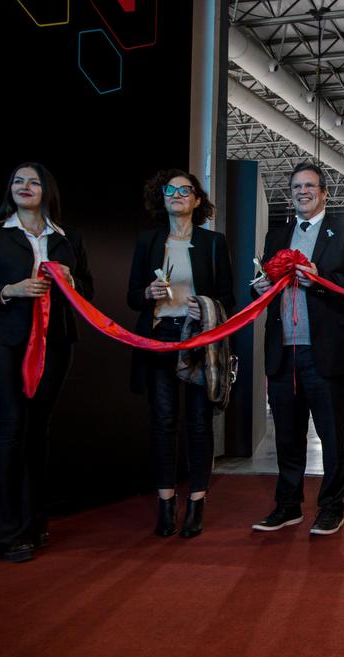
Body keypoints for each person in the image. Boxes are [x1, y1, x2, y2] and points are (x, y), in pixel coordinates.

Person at [0, 163, 93, 562]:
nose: (25, 187)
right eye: (18, 181)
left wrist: (72, 282)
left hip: (56, 340)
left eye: (34, 181)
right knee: (11, 427)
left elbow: (87, 290)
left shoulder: (68, 238)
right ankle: (3, 533)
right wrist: (10, 289)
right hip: (3, 341)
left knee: (39, 430)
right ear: (10, 190)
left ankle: (34, 523)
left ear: (47, 190)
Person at [250, 162, 344, 535]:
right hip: (283, 350)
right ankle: (288, 506)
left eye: (310, 186)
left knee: (332, 435)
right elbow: (268, 280)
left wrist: (319, 279)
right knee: (286, 434)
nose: (303, 191)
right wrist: (259, 289)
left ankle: (332, 506)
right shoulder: (277, 235)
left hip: (327, 352)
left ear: (324, 193)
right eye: (296, 186)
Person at [127, 169, 235, 539]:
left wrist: (204, 307)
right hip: (159, 339)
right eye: (170, 190)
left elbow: (229, 300)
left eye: (184, 190)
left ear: (197, 200)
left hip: (199, 341)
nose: (176, 195)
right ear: (162, 198)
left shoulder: (214, 242)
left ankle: (197, 503)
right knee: (163, 422)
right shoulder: (148, 241)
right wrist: (147, 293)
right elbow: (131, 296)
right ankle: (166, 502)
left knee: (199, 423)